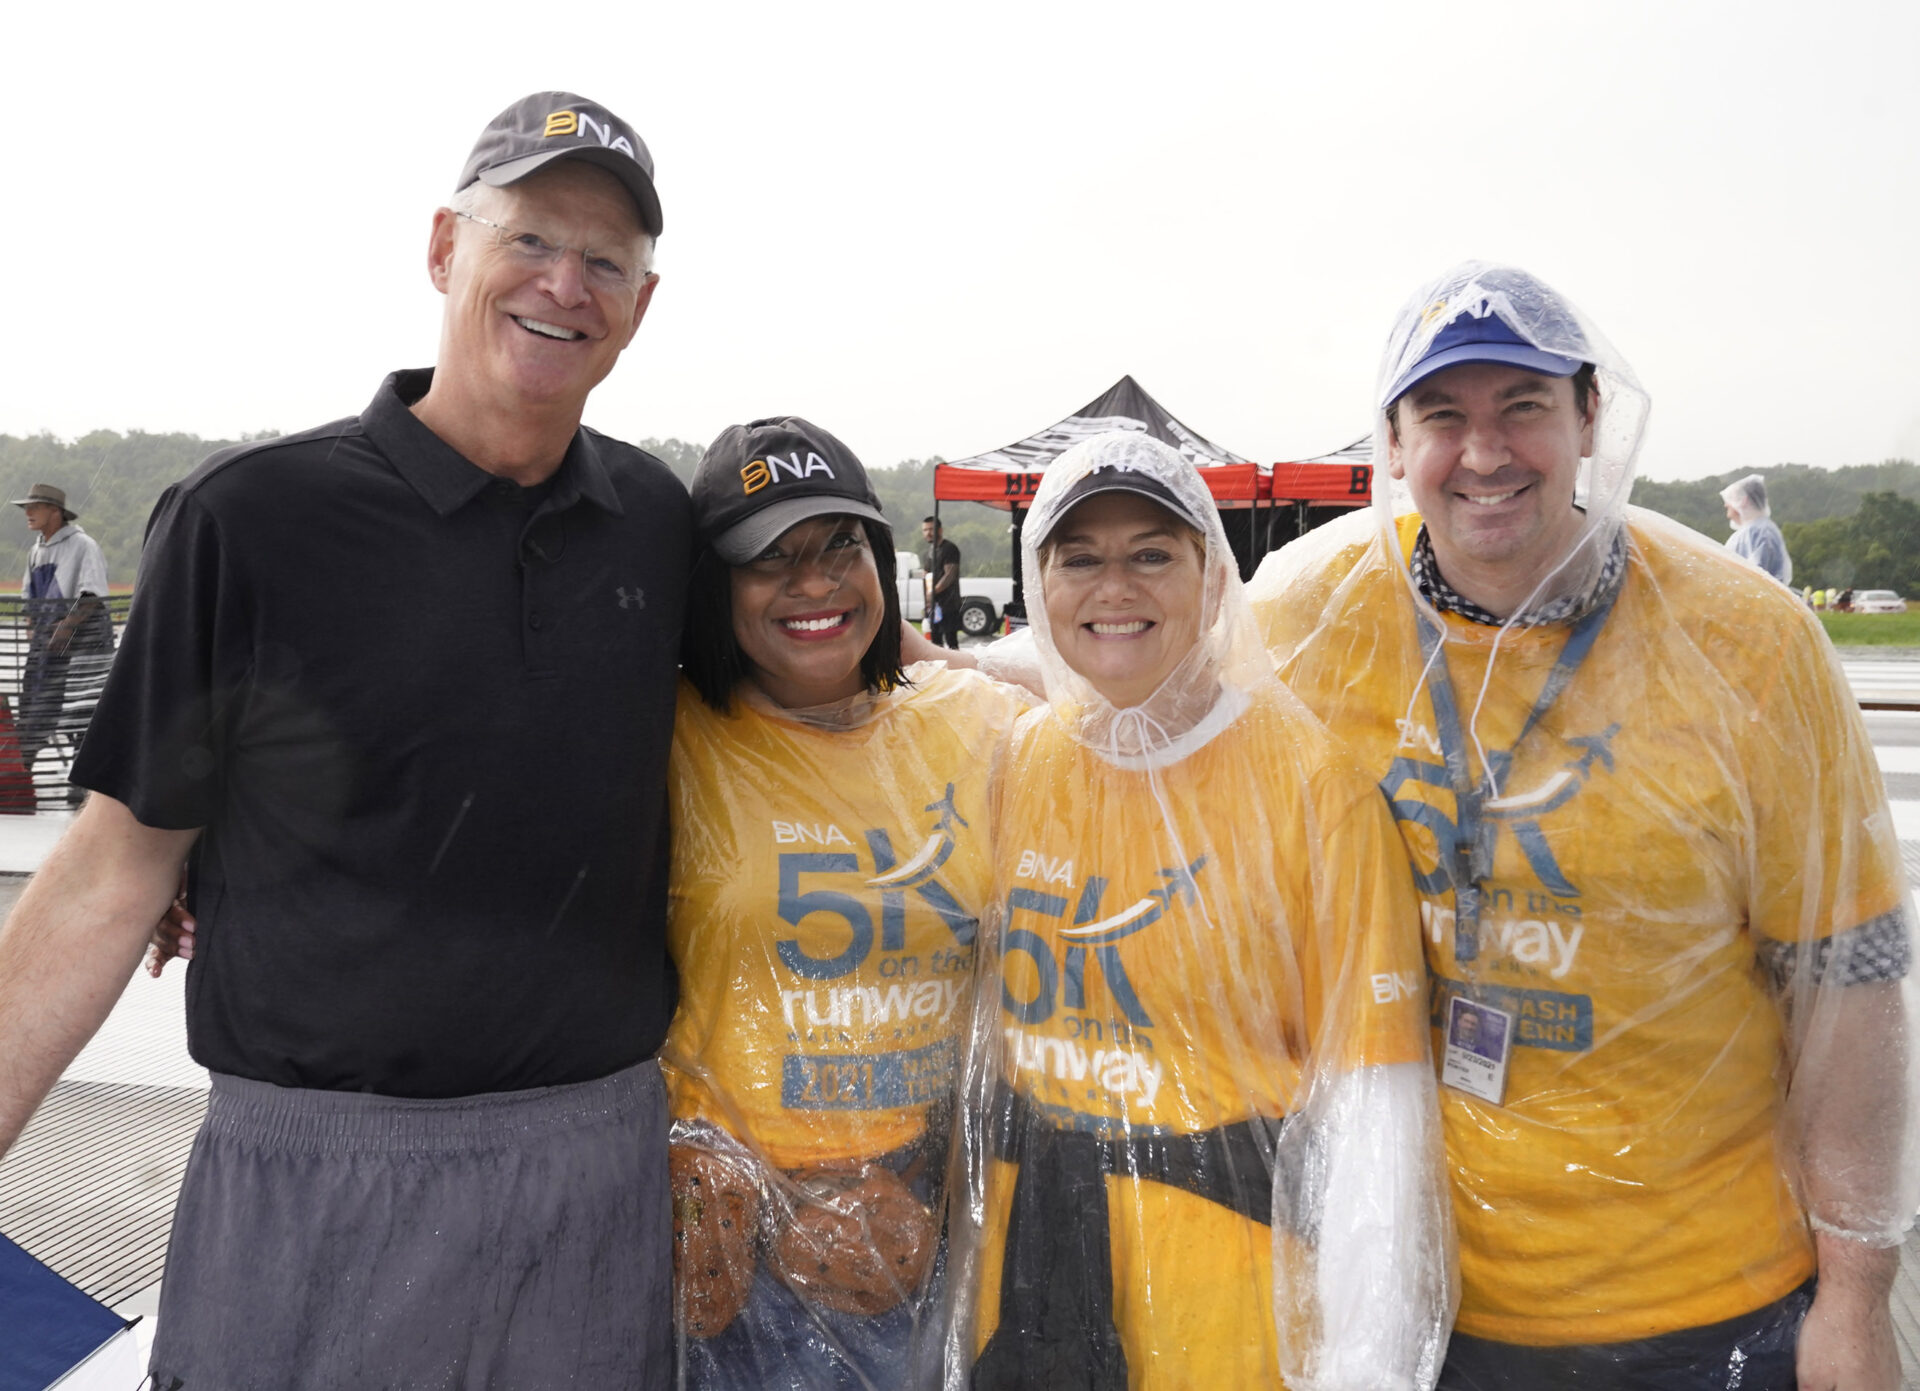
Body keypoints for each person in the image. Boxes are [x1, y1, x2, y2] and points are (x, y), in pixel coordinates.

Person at [0, 91, 690, 1389]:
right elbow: (111, 866)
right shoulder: (251, 518)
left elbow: (825, 675)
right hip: (313, 1182)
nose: (565, 284)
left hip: (593, 1181)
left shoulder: (655, 521)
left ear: (642, 304)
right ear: (443, 248)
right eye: (530, 238)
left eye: (607, 260)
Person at [1249, 261, 1918, 1390]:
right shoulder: (1311, 615)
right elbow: (1124, 679)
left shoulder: (1747, 641)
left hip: (1706, 1303)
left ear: (1591, 417)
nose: (1485, 452)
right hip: (1413, 1301)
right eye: (1442, 416)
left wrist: (1856, 1294)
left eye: (1524, 406)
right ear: (1394, 444)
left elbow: (1849, 979)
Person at [948, 432, 1452, 1390]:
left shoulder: (1312, 789)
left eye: (1152, 554)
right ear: (1039, 586)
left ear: (1215, 578)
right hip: (1024, 1295)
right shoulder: (1018, 761)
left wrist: (1365, 1365)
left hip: (1227, 1318)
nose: (1114, 588)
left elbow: (1374, 1114)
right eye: (1079, 559)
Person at [662, 417, 1026, 1389]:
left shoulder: (970, 723)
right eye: (769, 560)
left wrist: (927, 651)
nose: (815, 581)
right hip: (726, 1249)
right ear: (713, 585)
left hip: (918, 1226)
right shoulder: (669, 732)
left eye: (840, 547)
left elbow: (1124, 694)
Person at [12, 482, 113, 778]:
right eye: (26, 508)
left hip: (83, 644)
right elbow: (30, 599)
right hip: (48, 645)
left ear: (55, 512)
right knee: (34, 708)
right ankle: (19, 776)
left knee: (81, 712)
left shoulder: (83, 545)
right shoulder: (36, 551)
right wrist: (34, 629)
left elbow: (92, 595)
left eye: (35, 507)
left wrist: (65, 628)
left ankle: (83, 782)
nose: (28, 513)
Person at [1722, 473, 1793, 583]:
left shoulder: (1760, 532)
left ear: (1743, 500)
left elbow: (1754, 580)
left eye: (1730, 498)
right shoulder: (1751, 531)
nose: (1726, 505)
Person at [921, 516, 962, 648]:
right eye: (925, 530)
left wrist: (933, 591)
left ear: (940, 530)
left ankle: (954, 661)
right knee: (935, 642)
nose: (928, 533)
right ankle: (938, 662)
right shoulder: (929, 552)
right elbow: (927, 576)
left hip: (948, 604)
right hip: (934, 605)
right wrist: (928, 601)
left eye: (931, 529)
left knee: (951, 642)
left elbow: (950, 575)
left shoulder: (949, 548)